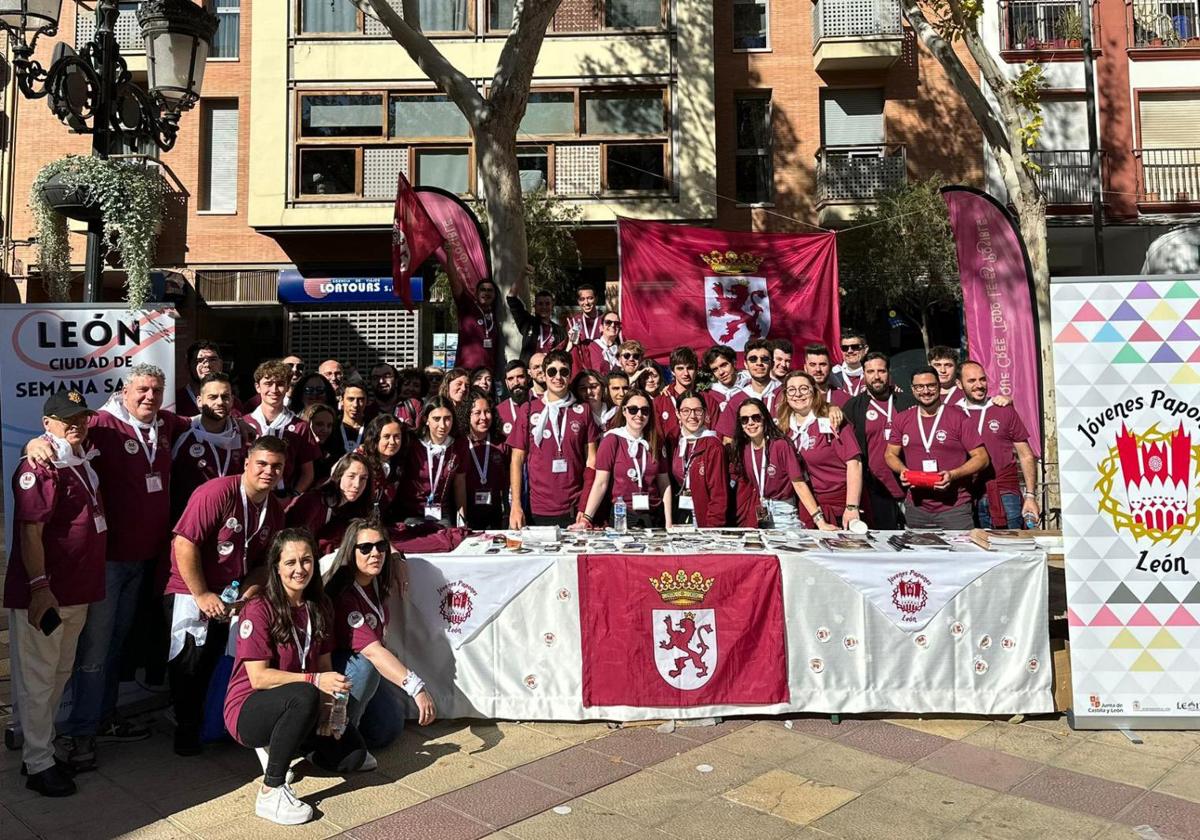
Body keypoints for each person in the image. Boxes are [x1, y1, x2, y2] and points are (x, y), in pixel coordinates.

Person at [25, 365, 193, 769]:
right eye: (141, 389)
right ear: (124, 390)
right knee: (95, 651)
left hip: (145, 559)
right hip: (107, 562)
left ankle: (103, 718)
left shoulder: (167, 424)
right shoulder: (100, 422)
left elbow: (216, 419)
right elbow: (59, 437)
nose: (149, 396)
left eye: (156, 389)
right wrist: (34, 443)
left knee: (117, 645)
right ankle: (81, 734)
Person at [223, 529, 367, 826]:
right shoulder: (259, 608)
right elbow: (259, 678)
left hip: (301, 701)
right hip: (249, 708)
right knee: (305, 694)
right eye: (290, 562)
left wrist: (331, 713)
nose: (299, 569)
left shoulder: (319, 604)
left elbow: (325, 666)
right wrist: (316, 683)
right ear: (276, 566)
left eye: (306, 560)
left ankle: (294, 744)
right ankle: (271, 789)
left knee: (353, 758)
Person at [6, 390, 106, 796]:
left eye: (81, 417)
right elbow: (30, 531)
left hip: (77, 590)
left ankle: (41, 751)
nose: (76, 424)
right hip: (48, 595)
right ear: (47, 422)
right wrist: (39, 588)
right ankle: (37, 764)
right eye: (67, 418)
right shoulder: (39, 466)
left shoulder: (77, 457)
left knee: (58, 675)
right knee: (38, 680)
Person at [164, 436, 288, 756]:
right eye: (261, 464)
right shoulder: (217, 492)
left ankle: (215, 724)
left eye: (276, 466)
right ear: (247, 463)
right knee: (189, 660)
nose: (268, 471)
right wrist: (202, 594)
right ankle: (186, 728)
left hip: (234, 593)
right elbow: (184, 544)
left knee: (221, 659)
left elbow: (265, 565)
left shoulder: (274, 509)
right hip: (192, 588)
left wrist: (245, 597)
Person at [328, 518, 436, 753]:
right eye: (365, 548)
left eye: (381, 547)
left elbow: (383, 545)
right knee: (367, 666)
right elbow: (373, 652)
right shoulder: (345, 594)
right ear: (350, 551)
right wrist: (416, 688)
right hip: (334, 671)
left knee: (388, 729)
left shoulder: (374, 581)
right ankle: (340, 740)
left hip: (357, 664)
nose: (375, 553)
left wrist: (395, 556)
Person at [884, 367, 990, 529]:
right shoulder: (902, 419)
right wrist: (903, 471)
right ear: (912, 390)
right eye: (919, 387)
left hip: (954, 508)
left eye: (931, 386)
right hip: (917, 508)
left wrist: (953, 475)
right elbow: (890, 454)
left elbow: (982, 458)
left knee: (960, 554)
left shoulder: (958, 417)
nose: (926, 391)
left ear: (939, 387)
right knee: (919, 554)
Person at [508, 349, 599, 528]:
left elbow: (592, 460)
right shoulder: (527, 410)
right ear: (544, 374)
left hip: (574, 508)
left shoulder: (583, 410)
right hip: (538, 508)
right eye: (552, 371)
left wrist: (585, 504)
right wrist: (516, 506)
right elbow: (517, 460)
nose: (558, 377)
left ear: (570, 374)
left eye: (564, 371)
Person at [956, 361, 1041, 528]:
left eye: (982, 379)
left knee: (1012, 548)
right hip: (968, 496)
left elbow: (1025, 455)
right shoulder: (953, 413)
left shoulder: (1003, 409)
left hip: (1005, 493)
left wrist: (1030, 496)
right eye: (971, 381)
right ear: (959, 384)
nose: (979, 385)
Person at [574, 390, 673, 529]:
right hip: (623, 514)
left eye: (645, 411)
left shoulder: (656, 441)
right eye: (633, 410)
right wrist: (586, 518)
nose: (639, 415)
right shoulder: (612, 439)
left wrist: (669, 522)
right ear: (624, 411)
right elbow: (600, 483)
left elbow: (664, 483)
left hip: (653, 514)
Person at [777, 372, 863, 529]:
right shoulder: (783, 428)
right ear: (785, 395)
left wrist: (852, 507)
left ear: (814, 392)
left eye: (804, 388)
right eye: (792, 390)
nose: (798, 394)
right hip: (809, 505)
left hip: (842, 504)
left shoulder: (831, 420)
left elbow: (854, 463)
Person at [843, 353, 916, 530]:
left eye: (881, 371)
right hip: (875, 491)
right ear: (863, 374)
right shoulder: (853, 407)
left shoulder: (908, 402)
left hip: (910, 488)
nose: (876, 376)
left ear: (889, 372)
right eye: (870, 371)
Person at [732, 398, 830, 529]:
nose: (750, 423)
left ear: (765, 418)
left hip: (784, 510)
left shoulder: (780, 445)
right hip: (762, 508)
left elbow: (799, 484)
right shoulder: (744, 449)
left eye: (755, 418)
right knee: (766, 544)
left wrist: (820, 521)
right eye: (744, 420)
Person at [171, 372, 247, 520]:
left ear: (232, 400)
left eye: (225, 397)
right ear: (199, 401)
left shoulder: (244, 435)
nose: (219, 402)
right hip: (188, 523)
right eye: (212, 397)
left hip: (229, 523)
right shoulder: (181, 431)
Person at [246, 361, 319, 497]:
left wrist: (292, 496)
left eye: (280, 384)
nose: (274, 390)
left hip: (283, 497)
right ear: (257, 387)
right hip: (249, 495)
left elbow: (308, 473)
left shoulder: (300, 427)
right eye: (268, 384)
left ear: (287, 387)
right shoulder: (244, 424)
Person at [286, 453, 375, 555]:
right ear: (339, 476)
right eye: (351, 476)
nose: (357, 485)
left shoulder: (355, 511)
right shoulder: (312, 501)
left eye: (363, 478)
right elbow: (293, 541)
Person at [395, 397, 466, 525]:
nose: (442, 425)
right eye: (436, 419)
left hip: (441, 514)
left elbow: (459, 483)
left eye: (447, 418)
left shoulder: (458, 445)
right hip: (412, 513)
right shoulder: (413, 443)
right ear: (425, 420)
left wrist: (462, 518)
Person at [671, 391, 728, 527]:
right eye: (686, 411)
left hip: (703, 517)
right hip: (679, 515)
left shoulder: (713, 446)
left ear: (705, 413)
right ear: (678, 414)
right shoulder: (673, 440)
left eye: (698, 411)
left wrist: (713, 528)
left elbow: (719, 494)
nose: (692, 416)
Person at [462, 395, 510, 529]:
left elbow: (508, 480)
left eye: (487, 412)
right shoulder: (461, 443)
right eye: (477, 413)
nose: (483, 417)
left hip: (496, 513)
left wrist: (508, 510)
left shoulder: (500, 442)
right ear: (467, 415)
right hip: (468, 513)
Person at [355, 414, 407, 517]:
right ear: (375, 438)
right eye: (386, 437)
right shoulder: (359, 460)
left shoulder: (397, 462)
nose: (392, 442)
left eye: (397, 437)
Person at [177, 341, 242, 417]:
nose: (207, 365)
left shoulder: (234, 403)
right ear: (188, 366)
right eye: (200, 360)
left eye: (212, 359)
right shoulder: (175, 401)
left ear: (221, 365)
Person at [453, 275, 500, 372]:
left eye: (490, 290)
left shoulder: (498, 314)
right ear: (476, 293)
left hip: (487, 372)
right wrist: (449, 260)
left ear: (495, 295)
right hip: (466, 370)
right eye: (483, 290)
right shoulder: (468, 308)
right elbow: (455, 285)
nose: (486, 293)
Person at [654, 347, 699, 444]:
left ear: (696, 370)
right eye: (680, 368)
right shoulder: (660, 402)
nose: (686, 373)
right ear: (672, 371)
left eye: (690, 368)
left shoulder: (708, 401)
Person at [703, 345, 748, 441]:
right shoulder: (711, 396)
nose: (721, 372)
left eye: (724, 365)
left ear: (734, 363)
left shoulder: (750, 386)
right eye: (715, 369)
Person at [511, 284, 566, 359]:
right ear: (535, 306)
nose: (544, 307)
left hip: (549, 369)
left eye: (547, 304)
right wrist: (522, 275)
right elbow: (511, 298)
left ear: (552, 306)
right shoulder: (527, 323)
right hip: (530, 369)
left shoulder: (560, 331)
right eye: (540, 304)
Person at [324, 381, 370, 462]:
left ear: (367, 402)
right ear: (341, 400)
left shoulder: (372, 427)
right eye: (351, 399)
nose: (355, 405)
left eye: (360, 400)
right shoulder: (331, 426)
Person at [301, 403, 338, 485]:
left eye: (329, 425)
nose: (325, 430)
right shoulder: (297, 451)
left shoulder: (333, 455)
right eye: (319, 424)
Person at [804, 343, 849, 408]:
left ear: (830, 367)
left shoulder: (844, 399)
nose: (818, 369)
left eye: (823, 364)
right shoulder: (797, 398)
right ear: (805, 368)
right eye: (813, 365)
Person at [740, 338, 781, 409]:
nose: (759, 363)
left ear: (772, 364)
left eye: (765, 359)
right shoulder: (736, 400)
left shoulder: (785, 395)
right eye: (753, 359)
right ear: (746, 364)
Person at [497, 360, 530, 436]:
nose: (516, 383)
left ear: (528, 378)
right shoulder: (499, 411)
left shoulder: (539, 405)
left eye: (520, 377)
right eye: (510, 379)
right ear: (506, 383)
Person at [834, 330, 869, 399]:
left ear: (865, 349)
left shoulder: (876, 373)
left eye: (855, 347)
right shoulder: (833, 375)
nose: (849, 351)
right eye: (845, 348)